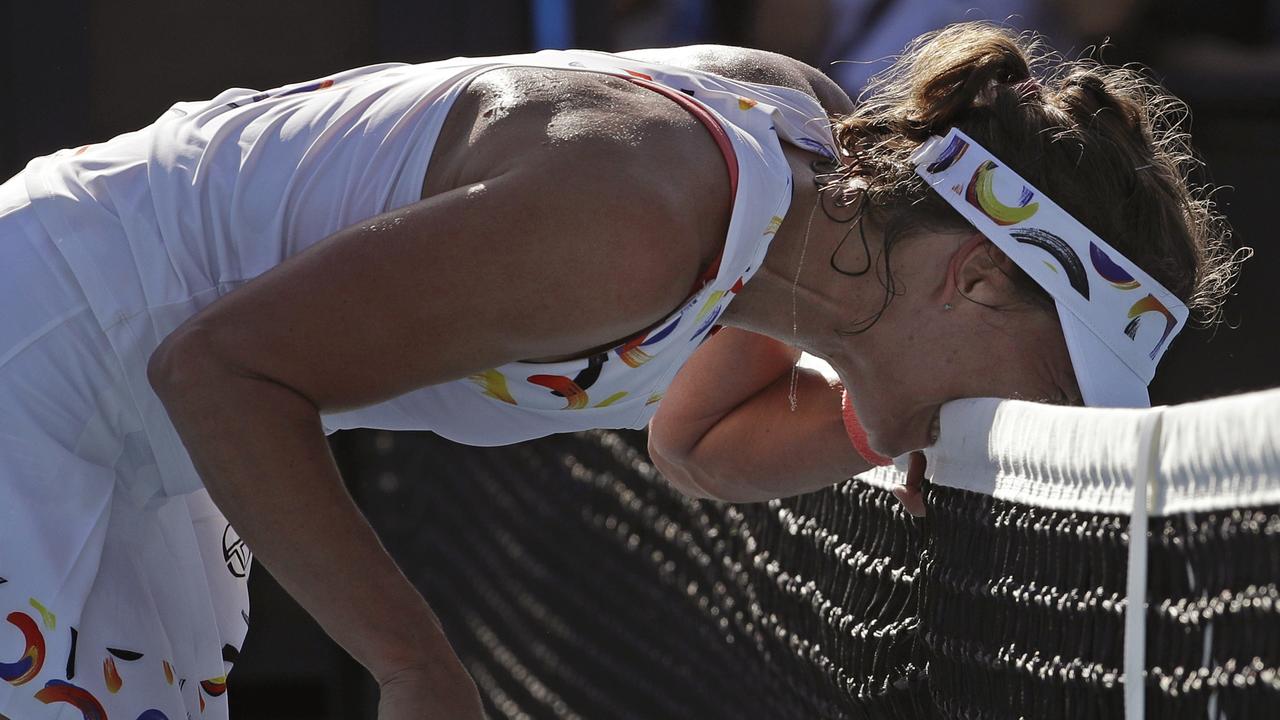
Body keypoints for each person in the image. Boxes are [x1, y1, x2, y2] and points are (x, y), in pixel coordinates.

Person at [0, 21, 1237, 720]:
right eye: (1057, 384)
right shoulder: (632, 220)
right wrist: (419, 669)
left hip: (137, 424)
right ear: (971, 279)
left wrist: (889, 425)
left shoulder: (804, 187)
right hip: (44, 345)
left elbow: (695, 446)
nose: (1037, 425)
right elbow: (220, 372)